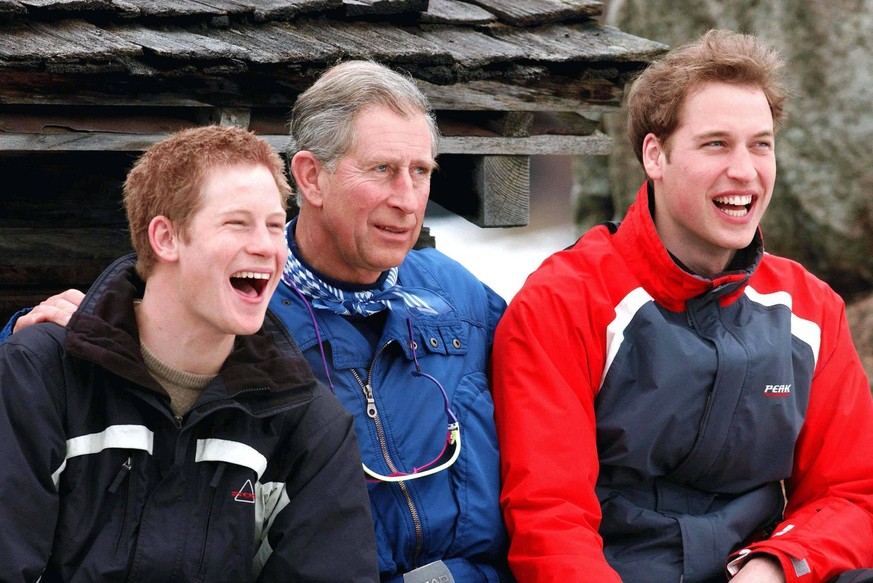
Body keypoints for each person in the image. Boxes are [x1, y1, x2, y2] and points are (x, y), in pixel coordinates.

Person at [1, 61, 512, 582]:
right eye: (382, 169)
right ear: (311, 177)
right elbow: (135, 328)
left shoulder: (460, 297)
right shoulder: (242, 317)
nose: (407, 199)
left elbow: (559, 395)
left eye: (421, 172)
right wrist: (34, 333)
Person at [491, 29, 873, 583]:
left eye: (760, 144)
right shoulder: (564, 301)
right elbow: (550, 522)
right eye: (716, 143)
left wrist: (774, 565)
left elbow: (854, 495)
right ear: (655, 155)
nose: (744, 170)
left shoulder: (812, 309)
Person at [0, 125, 378, 582]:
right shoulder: (37, 377)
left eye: (275, 226)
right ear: (166, 238)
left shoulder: (308, 422)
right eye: (237, 223)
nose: (265, 246)